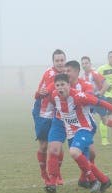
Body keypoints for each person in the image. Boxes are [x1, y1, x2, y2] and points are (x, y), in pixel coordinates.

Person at [45, 73, 112, 193]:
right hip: (71, 131)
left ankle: (94, 181)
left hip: (85, 128)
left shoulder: (79, 96)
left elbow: (100, 103)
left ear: (69, 85)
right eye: (57, 85)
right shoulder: (54, 96)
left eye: (63, 84)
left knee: (74, 152)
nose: (60, 88)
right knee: (83, 159)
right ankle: (104, 180)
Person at [32, 49, 66, 186]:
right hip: (43, 112)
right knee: (44, 145)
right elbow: (37, 94)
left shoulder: (67, 74)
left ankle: (56, 173)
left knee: (58, 145)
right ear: (53, 62)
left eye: (62, 60)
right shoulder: (49, 74)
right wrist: (40, 92)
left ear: (65, 60)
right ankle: (44, 173)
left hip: (59, 112)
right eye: (57, 60)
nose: (60, 63)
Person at [81, 56, 112, 146]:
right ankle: (88, 141)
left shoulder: (94, 74)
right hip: (89, 101)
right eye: (82, 63)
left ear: (90, 64)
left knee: (105, 121)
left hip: (98, 100)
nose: (84, 65)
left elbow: (106, 85)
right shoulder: (82, 76)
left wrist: (100, 93)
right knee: (87, 119)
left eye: (86, 63)